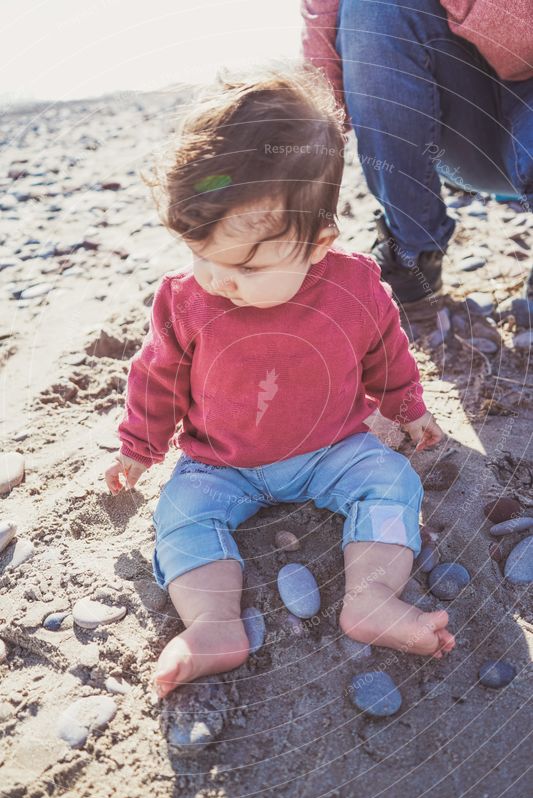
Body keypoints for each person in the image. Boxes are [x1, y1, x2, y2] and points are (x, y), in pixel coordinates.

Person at [104, 64, 455, 701]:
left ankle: (371, 595)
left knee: (391, 479)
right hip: (219, 463)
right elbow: (157, 376)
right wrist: (138, 445)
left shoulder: (352, 287)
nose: (215, 278)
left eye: (243, 264)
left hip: (333, 449)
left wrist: (406, 406)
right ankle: (212, 624)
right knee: (180, 514)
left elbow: (385, 349)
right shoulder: (187, 299)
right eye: (199, 253)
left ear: (318, 243)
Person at [301, 0, 533, 303]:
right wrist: (304, 178)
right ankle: (412, 253)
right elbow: (323, 20)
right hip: (468, 128)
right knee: (372, 6)